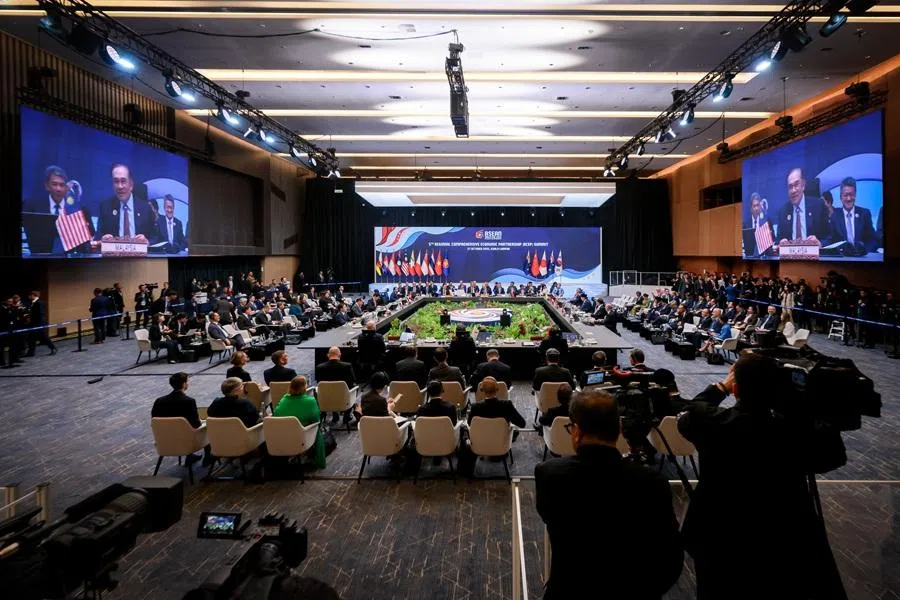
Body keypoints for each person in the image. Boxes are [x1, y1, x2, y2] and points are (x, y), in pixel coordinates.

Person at [677, 354, 829, 599]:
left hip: (718, 536)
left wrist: (720, 387)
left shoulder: (714, 424)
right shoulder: (794, 433)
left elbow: (691, 411)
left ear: (735, 388)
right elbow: (832, 455)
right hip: (781, 538)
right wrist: (803, 408)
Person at [535, 390, 683, 599]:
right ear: (620, 428)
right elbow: (671, 559)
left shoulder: (549, 475)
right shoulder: (652, 482)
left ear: (576, 431)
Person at [273, 376, 326, 469]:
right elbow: (316, 420)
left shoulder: (283, 400)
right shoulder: (310, 401)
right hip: (302, 437)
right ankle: (316, 459)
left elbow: (276, 415)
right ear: (304, 387)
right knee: (317, 430)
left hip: (282, 436)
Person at [94, 164, 155, 241]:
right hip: (113, 252)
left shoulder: (145, 208)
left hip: (139, 252)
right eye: (116, 181)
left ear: (131, 184)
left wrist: (147, 241)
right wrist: (102, 239)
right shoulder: (105, 207)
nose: (120, 186)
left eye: (123, 181)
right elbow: (98, 236)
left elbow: (155, 237)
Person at [775, 167, 830, 246]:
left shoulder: (818, 206)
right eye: (790, 187)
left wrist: (820, 244)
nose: (793, 190)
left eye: (796, 184)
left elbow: (830, 238)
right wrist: (780, 244)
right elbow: (777, 242)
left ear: (803, 185)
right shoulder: (783, 212)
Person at [829, 176, 878, 253]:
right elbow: (831, 241)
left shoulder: (864, 214)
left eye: (851, 194)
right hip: (843, 258)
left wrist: (864, 252)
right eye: (845, 195)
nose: (849, 198)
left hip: (863, 258)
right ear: (841, 197)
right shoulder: (835, 217)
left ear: (855, 195)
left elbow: (873, 240)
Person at [315, 346, 358, 424]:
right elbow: (353, 381)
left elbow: (318, 382)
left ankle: (334, 415)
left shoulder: (319, 368)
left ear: (328, 355)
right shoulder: (347, 366)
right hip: (343, 398)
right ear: (340, 355)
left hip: (326, 398)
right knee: (353, 387)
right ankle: (347, 415)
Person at [25, 291, 56, 356]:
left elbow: (40, 314)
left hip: (38, 324)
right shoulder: (33, 303)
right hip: (34, 324)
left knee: (43, 337)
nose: (29, 297)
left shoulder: (38, 303)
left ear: (33, 295)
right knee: (31, 338)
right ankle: (31, 352)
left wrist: (38, 324)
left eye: (30, 295)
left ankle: (53, 348)